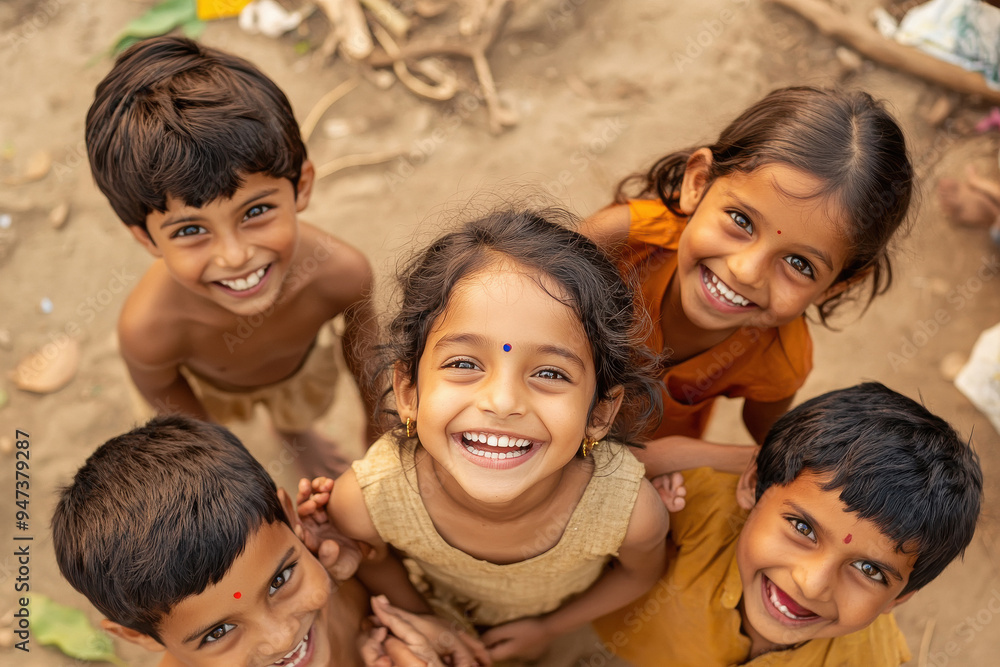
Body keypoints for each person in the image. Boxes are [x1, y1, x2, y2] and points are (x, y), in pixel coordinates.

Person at [328, 208, 675, 662]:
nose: (503, 401)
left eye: (550, 372)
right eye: (465, 364)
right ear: (408, 391)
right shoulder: (367, 501)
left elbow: (639, 575)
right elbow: (380, 570)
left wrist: (550, 629)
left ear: (600, 414)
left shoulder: (626, 512)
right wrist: (436, 626)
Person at [579, 86, 914, 475]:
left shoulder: (778, 362)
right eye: (741, 221)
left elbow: (772, 454)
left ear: (839, 285)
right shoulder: (621, 241)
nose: (745, 270)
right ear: (698, 183)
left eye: (799, 264)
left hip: (638, 470)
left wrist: (676, 460)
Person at [85, 36, 377, 476]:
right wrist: (245, 480)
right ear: (146, 240)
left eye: (256, 211)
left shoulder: (339, 274)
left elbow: (369, 357)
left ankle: (295, 434)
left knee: (298, 414)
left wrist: (379, 428)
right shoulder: (149, 331)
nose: (236, 255)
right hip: (207, 394)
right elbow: (189, 430)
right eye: (190, 230)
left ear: (301, 187)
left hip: (296, 373)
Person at [592, 382, 983, 665]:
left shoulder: (871, 660)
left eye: (869, 569)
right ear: (751, 484)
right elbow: (600, 467)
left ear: (898, 599)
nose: (812, 583)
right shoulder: (700, 507)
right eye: (803, 528)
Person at [51, 415, 487, 667]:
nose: (281, 638)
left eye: (280, 582)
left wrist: (424, 632)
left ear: (292, 519)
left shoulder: (336, 561)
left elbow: (414, 611)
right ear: (139, 637)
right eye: (218, 632)